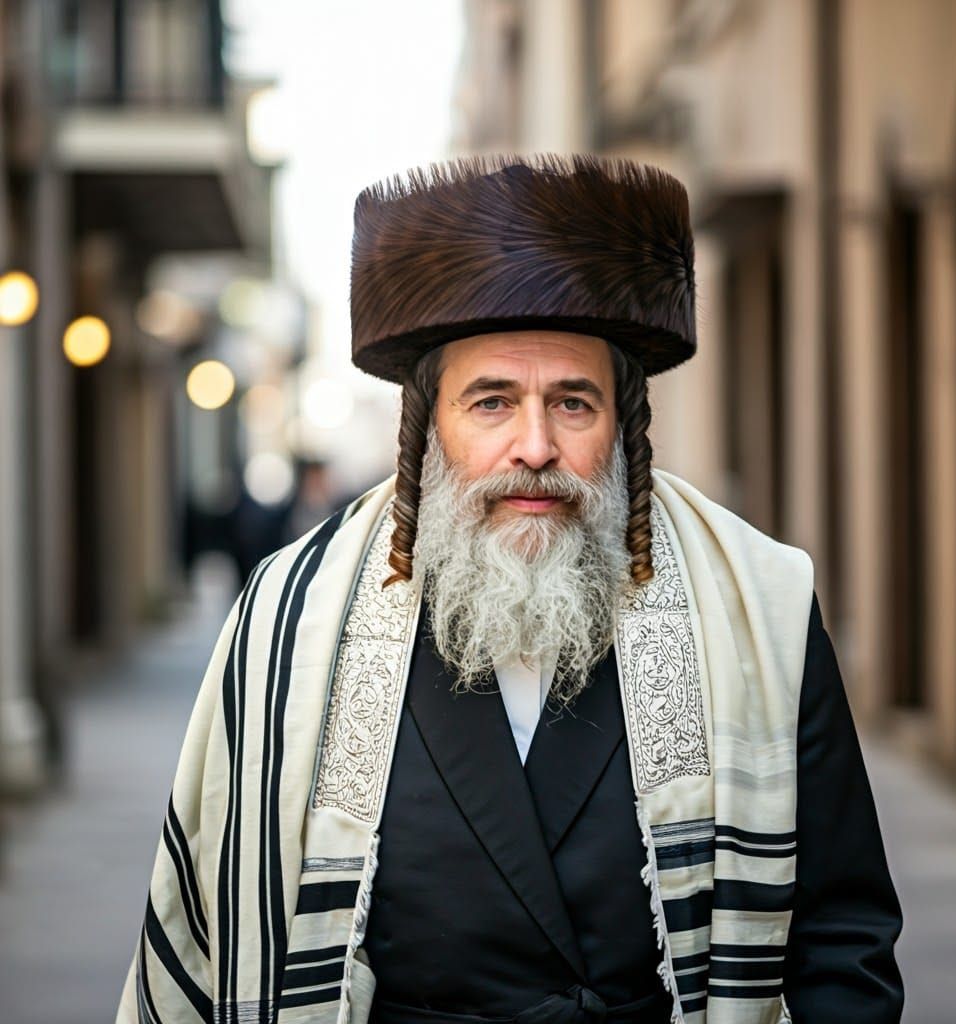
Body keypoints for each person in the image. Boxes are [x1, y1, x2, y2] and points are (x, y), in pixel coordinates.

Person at [118, 155, 903, 1024]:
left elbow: (841, 937)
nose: (535, 445)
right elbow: (211, 924)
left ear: (624, 424)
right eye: (492, 402)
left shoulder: (763, 604)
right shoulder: (284, 622)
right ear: (427, 427)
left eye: (573, 403)